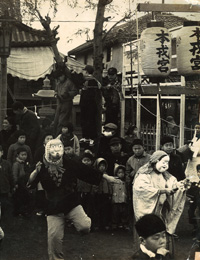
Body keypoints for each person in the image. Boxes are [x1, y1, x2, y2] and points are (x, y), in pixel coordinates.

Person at [27, 139, 120, 260]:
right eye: (52, 156)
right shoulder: (41, 166)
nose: (55, 159)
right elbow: (30, 183)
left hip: (71, 203)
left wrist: (107, 177)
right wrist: (35, 172)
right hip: (53, 207)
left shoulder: (69, 163)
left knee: (84, 227)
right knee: (54, 238)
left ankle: (81, 222)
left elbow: (86, 171)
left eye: (58, 157)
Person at [133, 150, 186, 257]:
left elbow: (173, 185)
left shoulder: (166, 175)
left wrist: (180, 186)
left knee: (162, 235)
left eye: (167, 163)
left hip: (162, 213)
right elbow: (141, 189)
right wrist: (161, 191)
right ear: (155, 161)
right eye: (163, 162)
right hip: (149, 211)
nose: (165, 165)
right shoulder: (144, 175)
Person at [79, 65, 102, 147]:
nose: (83, 72)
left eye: (84, 71)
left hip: (90, 104)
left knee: (90, 121)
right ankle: (86, 136)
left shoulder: (92, 81)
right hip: (85, 104)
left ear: (86, 72)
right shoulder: (86, 80)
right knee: (84, 120)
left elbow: (92, 94)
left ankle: (92, 138)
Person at [53, 66, 78, 136]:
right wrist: (55, 94)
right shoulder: (58, 83)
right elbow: (55, 91)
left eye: (60, 77)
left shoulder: (69, 82)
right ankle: (55, 134)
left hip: (67, 104)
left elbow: (75, 91)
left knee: (61, 121)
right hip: (59, 103)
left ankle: (58, 135)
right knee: (55, 121)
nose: (59, 79)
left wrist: (68, 94)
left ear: (63, 75)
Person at [12, 147, 33, 217]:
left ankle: (25, 212)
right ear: (18, 155)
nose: (24, 156)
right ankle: (18, 212)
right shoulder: (16, 164)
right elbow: (14, 175)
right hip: (19, 184)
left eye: (25, 155)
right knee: (19, 198)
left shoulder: (26, 163)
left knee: (26, 198)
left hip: (25, 183)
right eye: (22, 155)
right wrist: (15, 184)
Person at [93, 158, 112, 230]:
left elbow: (109, 184)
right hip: (97, 194)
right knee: (97, 209)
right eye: (100, 165)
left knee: (105, 209)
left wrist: (110, 193)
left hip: (105, 194)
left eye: (103, 165)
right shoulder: (95, 174)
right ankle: (97, 224)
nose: (102, 167)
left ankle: (105, 224)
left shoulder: (106, 175)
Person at [111, 164, 129, 230]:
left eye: (122, 173)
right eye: (119, 173)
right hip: (115, 199)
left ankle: (124, 223)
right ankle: (115, 223)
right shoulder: (113, 181)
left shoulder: (125, 182)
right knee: (115, 212)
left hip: (123, 199)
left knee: (124, 212)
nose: (121, 174)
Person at [0, 145, 12, 217]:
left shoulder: (6, 164)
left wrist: (12, 185)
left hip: (4, 188)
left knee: (4, 203)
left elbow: (10, 176)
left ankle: (4, 217)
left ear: (2, 153)